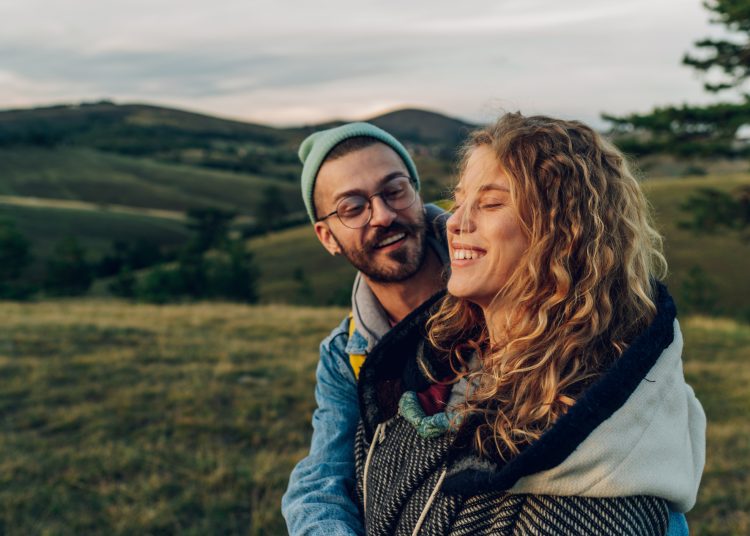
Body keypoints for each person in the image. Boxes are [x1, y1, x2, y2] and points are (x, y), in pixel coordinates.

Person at [353, 113, 706, 535]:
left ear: (561, 233)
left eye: (491, 203)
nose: (455, 221)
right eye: (459, 199)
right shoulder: (427, 364)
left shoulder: (601, 473)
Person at [281, 122, 450, 535]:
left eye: (394, 190)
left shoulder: (505, 285)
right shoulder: (345, 356)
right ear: (327, 237)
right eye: (352, 208)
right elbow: (320, 484)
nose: (384, 216)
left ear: (416, 189)